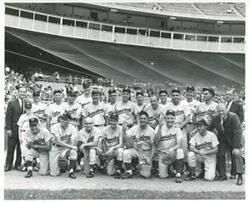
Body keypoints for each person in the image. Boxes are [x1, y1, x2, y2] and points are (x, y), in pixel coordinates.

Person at [211, 103, 244, 185]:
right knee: (221, 155)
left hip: (234, 139)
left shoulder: (234, 117)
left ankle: (238, 175)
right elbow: (209, 128)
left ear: (227, 110)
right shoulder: (215, 118)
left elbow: (237, 132)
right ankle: (222, 175)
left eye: (223, 110)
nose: (221, 113)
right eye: (219, 111)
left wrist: (236, 147)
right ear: (217, 111)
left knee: (236, 155)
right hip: (223, 140)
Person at [121, 111, 155, 179]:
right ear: (139, 119)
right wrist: (124, 131)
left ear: (147, 119)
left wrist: (150, 160)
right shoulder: (135, 128)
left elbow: (153, 146)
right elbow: (125, 139)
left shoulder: (151, 131)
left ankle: (138, 167)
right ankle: (129, 172)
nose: (143, 120)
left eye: (144, 118)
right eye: (141, 118)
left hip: (146, 153)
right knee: (125, 152)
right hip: (137, 151)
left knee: (146, 175)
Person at [155, 110, 184, 183]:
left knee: (180, 151)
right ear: (165, 118)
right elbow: (156, 142)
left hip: (172, 152)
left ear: (174, 119)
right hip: (162, 154)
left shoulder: (177, 128)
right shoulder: (159, 127)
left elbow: (179, 144)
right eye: (168, 118)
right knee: (163, 176)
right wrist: (159, 128)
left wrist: (172, 149)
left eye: (171, 118)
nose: (170, 120)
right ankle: (170, 170)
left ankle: (178, 173)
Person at [49, 112, 78, 179]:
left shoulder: (72, 128)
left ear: (68, 120)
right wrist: (71, 147)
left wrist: (66, 151)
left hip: (66, 148)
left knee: (73, 152)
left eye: (64, 119)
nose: (61, 120)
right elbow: (58, 142)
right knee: (54, 174)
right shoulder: (54, 127)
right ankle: (62, 167)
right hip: (56, 148)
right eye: (61, 118)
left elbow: (73, 142)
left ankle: (71, 171)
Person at [5, 86, 27, 171]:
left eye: (24, 92)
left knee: (20, 148)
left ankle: (18, 164)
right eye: (21, 92)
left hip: (22, 130)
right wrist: (8, 129)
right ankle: (8, 165)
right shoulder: (12, 103)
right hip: (13, 129)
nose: (23, 93)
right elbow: (8, 117)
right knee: (11, 147)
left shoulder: (27, 103)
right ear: (18, 92)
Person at [100, 113, 124, 178]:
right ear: (109, 121)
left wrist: (113, 148)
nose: (113, 122)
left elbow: (121, 144)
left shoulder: (120, 129)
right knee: (110, 173)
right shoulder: (105, 129)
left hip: (116, 149)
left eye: (115, 121)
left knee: (120, 151)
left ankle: (119, 169)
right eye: (111, 120)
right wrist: (106, 153)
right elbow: (103, 142)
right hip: (108, 151)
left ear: (117, 121)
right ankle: (114, 164)